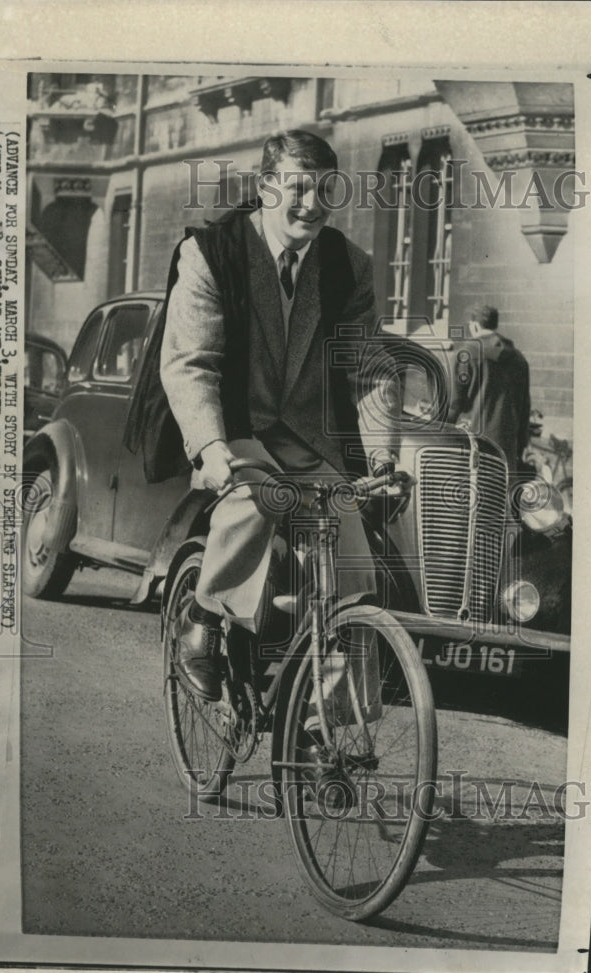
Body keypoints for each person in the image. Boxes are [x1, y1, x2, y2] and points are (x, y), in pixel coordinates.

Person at [159, 129, 400, 702]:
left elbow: (370, 368)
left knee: (354, 574)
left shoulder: (348, 265)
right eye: (297, 189)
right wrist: (212, 448)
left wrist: (384, 456)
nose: (311, 205)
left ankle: (325, 732)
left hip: (306, 440)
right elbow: (192, 363)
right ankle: (204, 618)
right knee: (257, 496)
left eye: (325, 190)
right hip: (234, 428)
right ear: (266, 187)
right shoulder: (211, 253)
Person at [448, 304, 531, 474]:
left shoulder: (465, 354)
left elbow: (453, 403)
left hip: (472, 445)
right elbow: (525, 409)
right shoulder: (519, 359)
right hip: (506, 448)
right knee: (500, 496)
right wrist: (521, 446)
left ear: (475, 325)